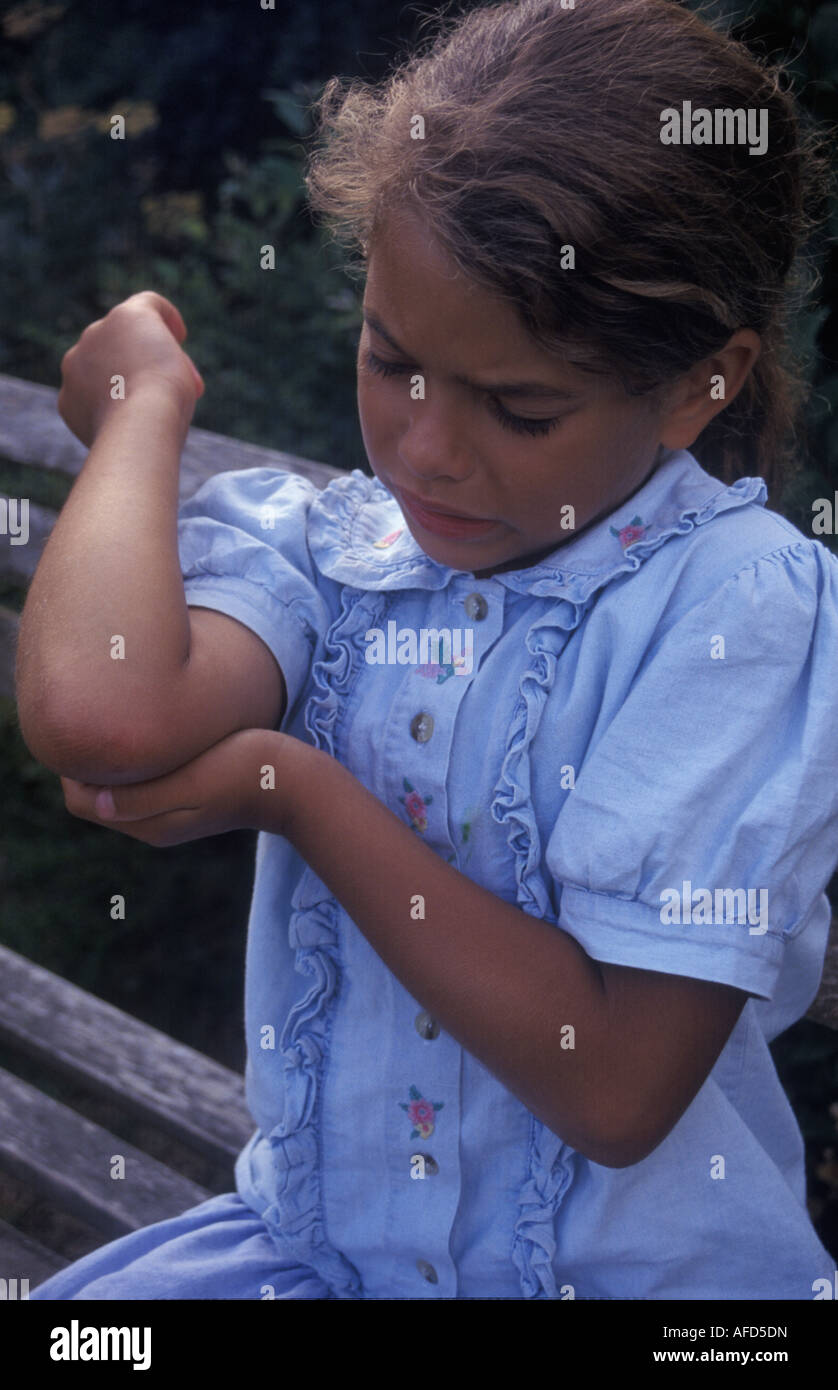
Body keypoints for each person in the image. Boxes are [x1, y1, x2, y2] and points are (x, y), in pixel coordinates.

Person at [19, 0, 838, 1299]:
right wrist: (140, 413)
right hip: (326, 1257)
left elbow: (613, 1081)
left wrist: (295, 787)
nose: (424, 450)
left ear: (699, 384)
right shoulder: (341, 557)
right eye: (390, 360)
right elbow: (103, 716)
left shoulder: (730, 610)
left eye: (518, 407)